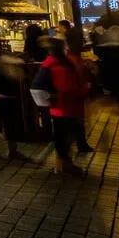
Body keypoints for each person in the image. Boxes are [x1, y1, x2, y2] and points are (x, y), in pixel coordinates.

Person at [42, 37, 88, 175]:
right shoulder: (61, 65)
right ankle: (64, 165)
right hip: (67, 107)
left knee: (62, 136)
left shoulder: (51, 63)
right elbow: (69, 88)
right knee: (67, 136)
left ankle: (61, 165)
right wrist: (85, 89)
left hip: (58, 107)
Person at [65, 28, 94, 153]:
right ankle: (76, 146)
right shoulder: (71, 57)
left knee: (76, 120)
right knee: (75, 121)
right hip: (73, 94)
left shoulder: (71, 55)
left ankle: (80, 143)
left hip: (75, 94)